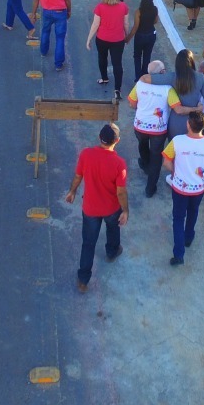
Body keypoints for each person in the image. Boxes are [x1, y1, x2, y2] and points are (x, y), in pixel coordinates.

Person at [65, 123, 129, 293]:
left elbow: (78, 176)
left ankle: (83, 280)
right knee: (113, 230)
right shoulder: (119, 163)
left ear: (99, 138)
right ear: (117, 141)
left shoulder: (86, 154)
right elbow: (121, 192)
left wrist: (72, 192)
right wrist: (125, 210)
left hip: (90, 209)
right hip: (111, 208)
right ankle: (112, 252)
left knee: (88, 243)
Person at [162, 111, 204, 266]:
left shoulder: (177, 141)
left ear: (188, 124)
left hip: (180, 188)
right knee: (193, 211)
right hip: (198, 188)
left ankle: (179, 254)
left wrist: (175, 172)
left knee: (178, 218)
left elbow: (166, 163)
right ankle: (189, 237)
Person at [142, 49, 204, 142]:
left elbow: (147, 78)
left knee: (174, 150)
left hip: (175, 121)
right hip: (194, 122)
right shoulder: (201, 77)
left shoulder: (172, 77)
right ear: (192, 61)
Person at [128, 60, 175, 197]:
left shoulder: (140, 84)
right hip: (158, 130)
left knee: (142, 144)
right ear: (161, 73)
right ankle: (150, 188)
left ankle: (144, 163)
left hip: (140, 126)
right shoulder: (168, 88)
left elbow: (132, 103)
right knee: (156, 157)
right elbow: (175, 105)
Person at [86, 0, 131, 97]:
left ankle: (104, 78)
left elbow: (95, 24)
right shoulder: (123, 6)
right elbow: (126, 23)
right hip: (118, 39)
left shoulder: (100, 7)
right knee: (117, 63)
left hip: (102, 39)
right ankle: (117, 90)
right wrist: (126, 36)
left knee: (102, 58)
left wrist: (89, 39)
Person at [32, 0, 72, 71]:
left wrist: (34, 13)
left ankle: (43, 52)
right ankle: (58, 64)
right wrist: (69, 11)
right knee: (60, 38)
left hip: (46, 12)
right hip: (60, 13)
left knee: (45, 31)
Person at [126, 0, 158, 78]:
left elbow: (135, 27)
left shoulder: (138, 11)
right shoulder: (155, 9)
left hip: (140, 36)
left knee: (137, 56)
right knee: (147, 56)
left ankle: (138, 78)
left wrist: (127, 39)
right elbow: (155, 21)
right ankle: (145, 77)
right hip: (151, 34)